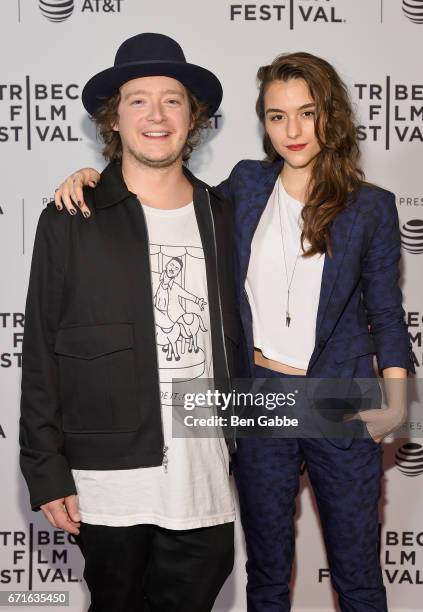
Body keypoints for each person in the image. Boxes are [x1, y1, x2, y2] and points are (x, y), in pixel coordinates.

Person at [53, 51, 413, 611]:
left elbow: (387, 312)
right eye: (276, 116)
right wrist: (94, 180)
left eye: (307, 112)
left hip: (339, 399)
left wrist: (396, 405)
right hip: (259, 396)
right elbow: (163, 192)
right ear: (263, 123)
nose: (292, 130)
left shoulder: (371, 208)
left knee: (359, 576)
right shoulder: (246, 184)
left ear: (331, 116)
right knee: (266, 575)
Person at [20, 33, 239, 612]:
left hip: (206, 478)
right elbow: (40, 350)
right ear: (112, 119)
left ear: (193, 118)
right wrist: (46, 470)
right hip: (107, 481)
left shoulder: (227, 215)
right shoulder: (72, 215)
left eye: (172, 99)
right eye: (138, 99)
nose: (157, 115)